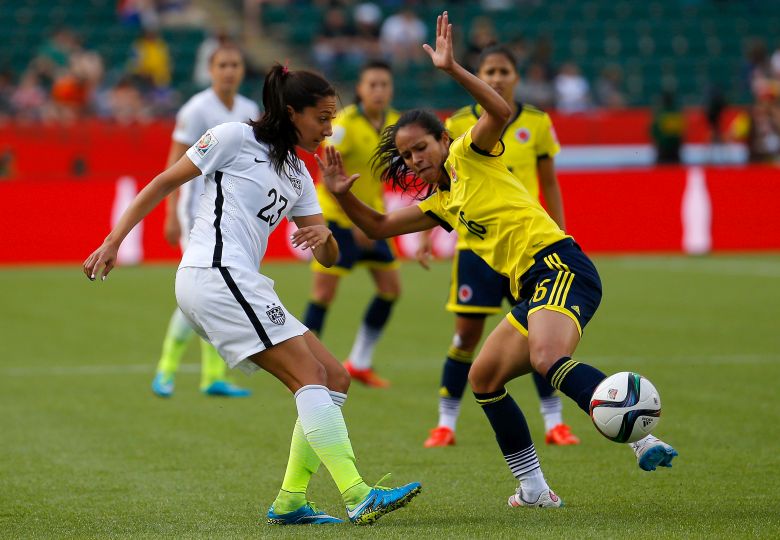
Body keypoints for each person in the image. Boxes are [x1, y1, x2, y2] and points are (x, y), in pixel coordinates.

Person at [318, 12, 677, 509]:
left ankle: (642, 436)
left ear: (443, 139)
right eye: (406, 156)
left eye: (421, 147)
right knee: (483, 379)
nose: (416, 159)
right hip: (534, 285)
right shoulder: (439, 202)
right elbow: (378, 227)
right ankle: (533, 489)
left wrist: (452, 69)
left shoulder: (469, 152)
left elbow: (500, 110)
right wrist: (341, 195)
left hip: (560, 266)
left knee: (545, 360)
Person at [83, 63, 421, 525]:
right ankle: (358, 494)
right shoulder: (232, 138)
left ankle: (291, 501)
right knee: (309, 375)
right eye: (322, 117)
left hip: (239, 279)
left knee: (334, 376)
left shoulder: (300, 175)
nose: (329, 128)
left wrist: (323, 236)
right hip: (213, 272)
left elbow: (327, 251)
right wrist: (113, 240)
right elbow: (164, 182)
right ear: (291, 112)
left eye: (333, 118)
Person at [415, 44, 577, 448]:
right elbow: (438, 189)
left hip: (526, 246)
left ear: (516, 76)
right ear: (480, 75)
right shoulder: (457, 124)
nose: (497, 77)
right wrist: (424, 238)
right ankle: (445, 423)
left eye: (504, 70)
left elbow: (550, 179)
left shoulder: (537, 122)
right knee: (466, 336)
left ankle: (554, 422)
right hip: (476, 248)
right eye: (490, 70)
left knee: (540, 336)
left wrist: (559, 227)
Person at [151, 44, 259, 398]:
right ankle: (166, 369)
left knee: (215, 292)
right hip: (194, 212)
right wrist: (170, 213)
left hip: (229, 213)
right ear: (210, 70)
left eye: (235, 64)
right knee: (201, 292)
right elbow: (171, 163)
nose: (229, 70)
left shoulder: (248, 109)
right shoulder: (196, 109)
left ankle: (211, 377)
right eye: (222, 65)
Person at [303, 60, 401, 388]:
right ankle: (304, 366)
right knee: (324, 293)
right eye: (371, 84)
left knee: (390, 289)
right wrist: (353, 221)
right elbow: (328, 175)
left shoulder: (396, 125)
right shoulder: (343, 125)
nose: (378, 90)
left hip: (372, 217)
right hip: (335, 217)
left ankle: (359, 361)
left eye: (384, 84)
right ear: (359, 89)